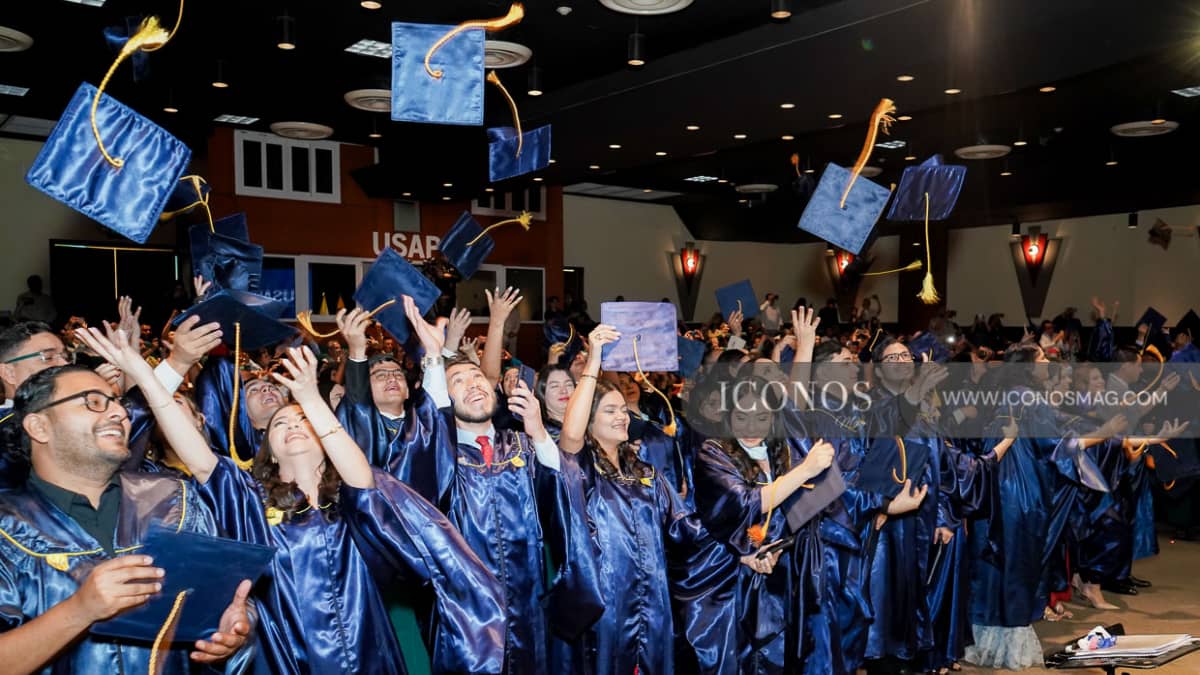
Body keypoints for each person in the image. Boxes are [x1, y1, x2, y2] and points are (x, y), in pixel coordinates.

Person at [76, 326, 506, 674]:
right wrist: (145, 374)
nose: (294, 425)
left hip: (369, 651)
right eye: (282, 422)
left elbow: (359, 475)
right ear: (269, 447)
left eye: (305, 420)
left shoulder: (354, 500)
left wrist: (308, 398)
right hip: (284, 656)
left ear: (326, 438)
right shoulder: (246, 498)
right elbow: (195, 451)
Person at [0, 360, 255, 673]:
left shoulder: (175, 500)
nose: (119, 413)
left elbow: (230, 599)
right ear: (39, 427)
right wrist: (79, 611)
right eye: (93, 402)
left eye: (117, 403)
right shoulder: (8, 528)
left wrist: (233, 630)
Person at [399, 295, 604, 673]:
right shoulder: (439, 455)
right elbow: (417, 487)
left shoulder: (525, 448)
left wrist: (541, 434)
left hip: (529, 615)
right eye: (457, 381)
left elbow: (564, 504)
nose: (473, 384)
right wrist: (433, 359)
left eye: (477, 376)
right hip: (464, 624)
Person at [556, 324, 735, 674]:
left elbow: (686, 528)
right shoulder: (579, 471)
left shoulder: (646, 474)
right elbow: (570, 433)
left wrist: (737, 533)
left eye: (623, 409)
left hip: (653, 602)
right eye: (610, 411)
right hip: (604, 604)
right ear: (589, 420)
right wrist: (594, 360)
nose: (623, 416)